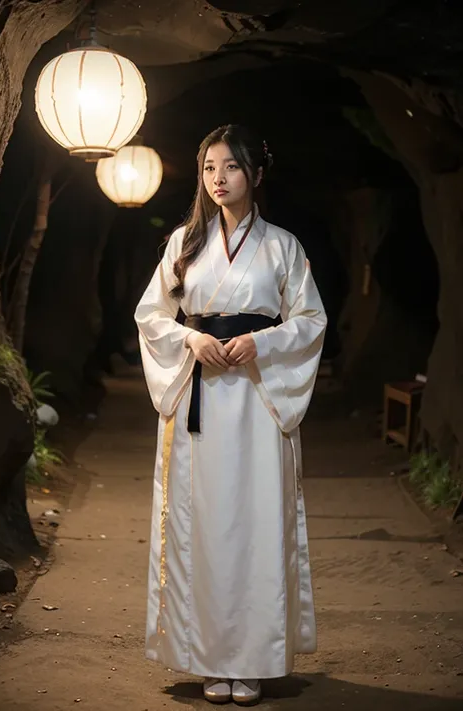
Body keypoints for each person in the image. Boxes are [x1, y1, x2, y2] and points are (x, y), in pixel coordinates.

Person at [134, 124, 327, 706]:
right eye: (209, 168)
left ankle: (254, 659)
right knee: (204, 527)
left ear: (256, 174)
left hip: (256, 397)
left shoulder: (283, 247)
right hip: (200, 400)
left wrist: (261, 344)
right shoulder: (184, 245)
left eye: (232, 167)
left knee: (256, 525)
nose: (219, 179)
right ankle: (209, 657)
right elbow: (151, 315)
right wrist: (189, 342)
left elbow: (311, 320)